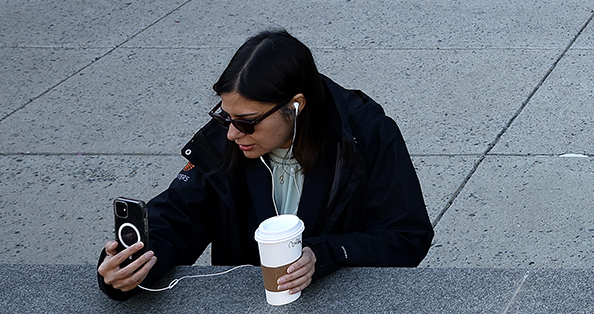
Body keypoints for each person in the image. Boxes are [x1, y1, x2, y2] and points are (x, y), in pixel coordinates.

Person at [96, 29, 431, 300]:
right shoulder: (226, 139)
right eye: (225, 115)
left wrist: (326, 255)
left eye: (247, 121)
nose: (231, 133)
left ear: (296, 106)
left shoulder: (365, 134)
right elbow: (177, 218)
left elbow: (406, 237)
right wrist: (130, 265)